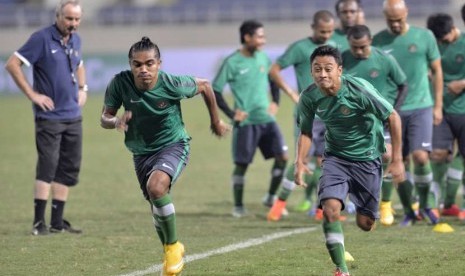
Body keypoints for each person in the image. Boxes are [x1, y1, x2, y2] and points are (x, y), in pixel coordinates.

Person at [100, 37, 229, 276]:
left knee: (157, 188)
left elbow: (205, 86)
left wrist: (216, 120)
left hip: (173, 144)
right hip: (140, 152)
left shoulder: (171, 83)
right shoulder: (120, 83)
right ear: (130, 65)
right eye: (137, 65)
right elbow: (104, 117)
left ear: (159, 63)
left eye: (149, 63)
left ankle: (171, 248)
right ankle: (172, 247)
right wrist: (115, 121)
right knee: (155, 203)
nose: (144, 70)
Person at [294, 45, 404, 276]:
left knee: (366, 224)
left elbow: (393, 116)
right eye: (317, 69)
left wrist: (397, 159)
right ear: (311, 71)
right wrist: (300, 162)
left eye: (328, 69)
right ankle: (341, 269)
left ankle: (369, 207)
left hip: (367, 159)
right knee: (330, 208)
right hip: (335, 158)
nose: (322, 74)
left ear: (339, 70)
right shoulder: (309, 96)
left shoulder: (359, 90)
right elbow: (305, 131)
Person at [5, 0, 87, 235]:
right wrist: (32, 94)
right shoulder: (41, 38)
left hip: (73, 115)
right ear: (58, 16)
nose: (73, 24)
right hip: (49, 117)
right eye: (69, 18)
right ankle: (39, 223)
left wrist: (83, 88)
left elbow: (80, 65)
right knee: (48, 167)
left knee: (67, 168)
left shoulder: (76, 40)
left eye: (77, 19)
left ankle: (57, 222)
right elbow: (12, 64)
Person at [372, 0, 444, 227]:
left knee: (421, 157)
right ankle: (406, 211)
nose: (395, 24)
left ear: (407, 13)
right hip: (392, 109)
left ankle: (426, 205)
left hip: (421, 106)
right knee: (393, 160)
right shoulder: (378, 41)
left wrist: (438, 105)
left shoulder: (425, 37)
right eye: (390, 20)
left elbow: (437, 70)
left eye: (399, 19)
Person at [212, 20, 288, 218]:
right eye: (260, 36)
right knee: (242, 164)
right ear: (247, 37)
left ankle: (271, 197)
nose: (264, 41)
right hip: (245, 123)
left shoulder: (263, 58)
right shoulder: (231, 62)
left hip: (267, 118)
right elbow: (216, 90)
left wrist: (276, 102)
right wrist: (231, 113)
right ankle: (238, 206)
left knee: (283, 158)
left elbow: (273, 79)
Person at [267, 10, 337, 221]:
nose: (326, 35)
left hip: (331, 113)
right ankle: (279, 204)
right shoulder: (300, 48)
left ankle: (320, 209)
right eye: (322, 31)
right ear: (313, 27)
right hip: (307, 111)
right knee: (301, 157)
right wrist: (292, 94)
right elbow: (274, 71)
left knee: (325, 160)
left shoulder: (334, 47)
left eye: (330, 31)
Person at [342, 24, 408, 226]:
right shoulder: (341, 59)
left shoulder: (384, 59)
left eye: (363, 47)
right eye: (355, 48)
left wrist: (391, 111)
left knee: (387, 155)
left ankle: (386, 203)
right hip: (350, 122)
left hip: (380, 122)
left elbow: (403, 84)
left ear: (370, 41)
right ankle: (354, 200)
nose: (359, 51)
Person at [426, 13, 465, 220]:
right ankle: (433, 202)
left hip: (463, 109)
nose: (442, 42)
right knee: (438, 154)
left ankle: (459, 205)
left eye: (444, 38)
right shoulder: (433, 45)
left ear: (453, 28)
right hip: (440, 108)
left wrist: (462, 83)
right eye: (438, 40)